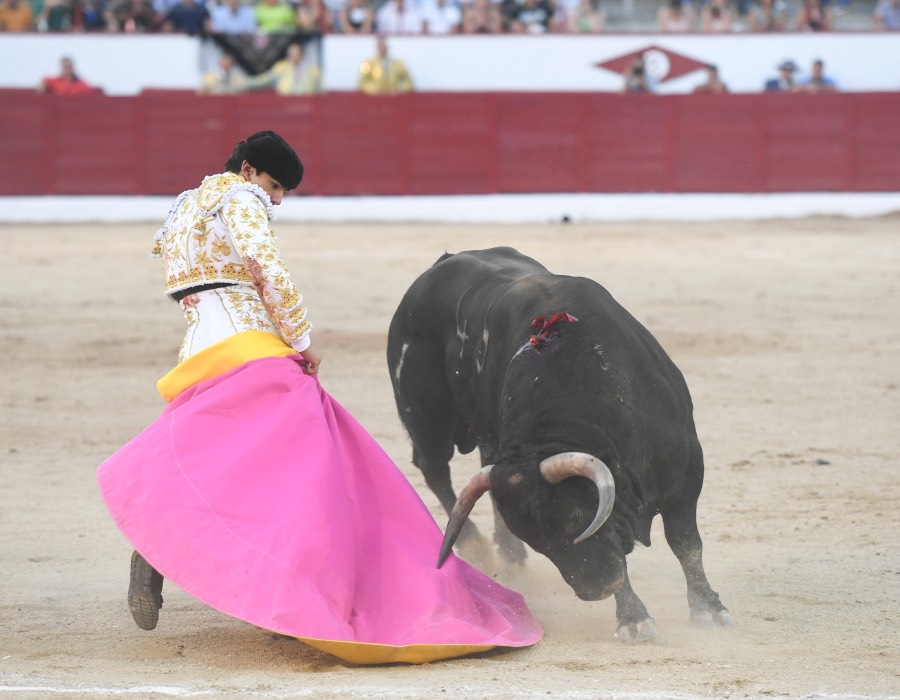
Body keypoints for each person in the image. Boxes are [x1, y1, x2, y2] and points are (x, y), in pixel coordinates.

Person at [96, 130, 542, 665]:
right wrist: (302, 342)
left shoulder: (187, 207)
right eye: (275, 184)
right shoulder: (240, 199)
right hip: (251, 345)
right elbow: (268, 273)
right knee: (308, 466)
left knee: (211, 460)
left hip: (197, 350)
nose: (277, 198)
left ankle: (156, 553)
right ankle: (297, 594)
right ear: (246, 170)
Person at [246, 42, 323, 94]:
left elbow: (321, 89)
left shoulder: (313, 70)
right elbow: (264, 80)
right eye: (291, 55)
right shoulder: (281, 67)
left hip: (307, 106)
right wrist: (248, 82)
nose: (293, 57)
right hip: (286, 105)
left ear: (302, 55)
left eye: (296, 55)